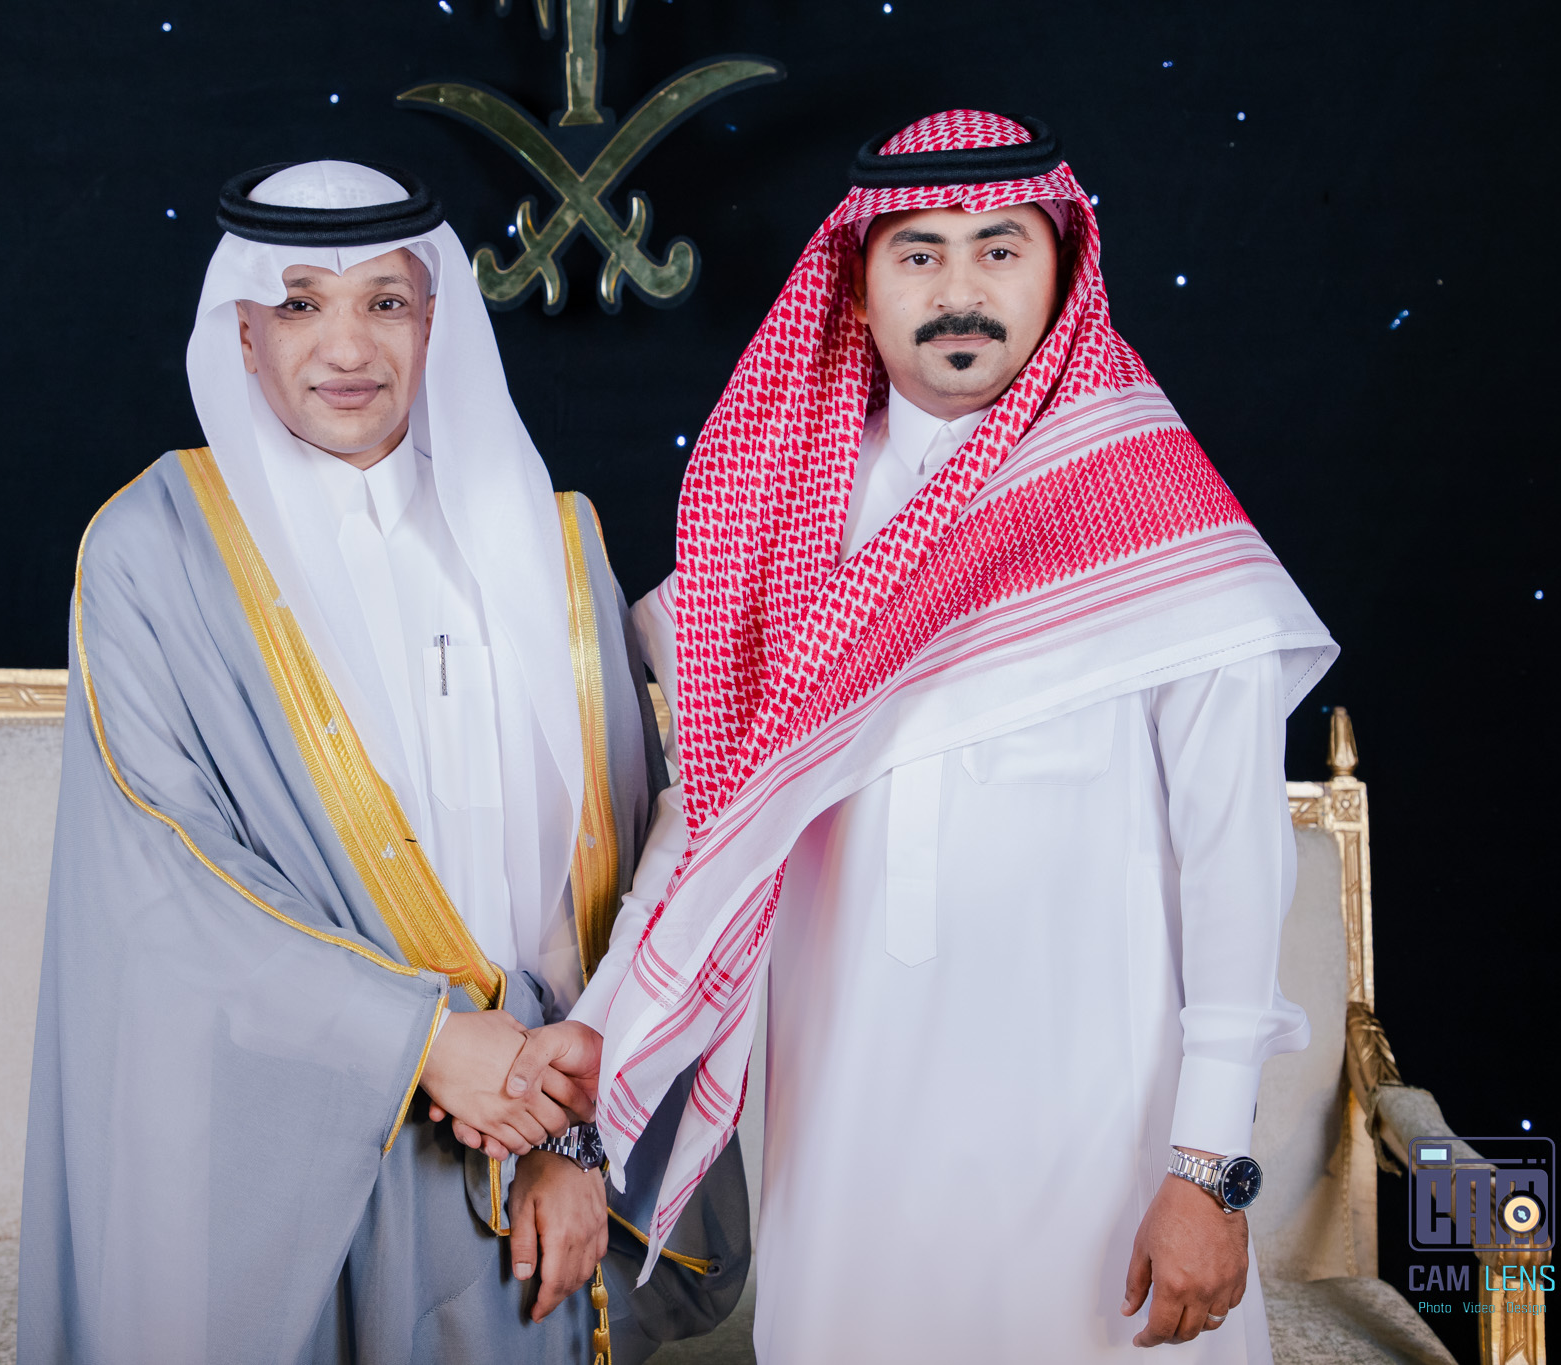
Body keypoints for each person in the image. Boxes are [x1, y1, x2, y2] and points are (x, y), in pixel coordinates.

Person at [537, 111, 1337, 1361]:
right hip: (849, 1164)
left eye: (999, 249)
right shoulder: (773, 525)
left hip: (1103, 1172)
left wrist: (1207, 1170)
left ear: (1060, 278)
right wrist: (590, 1058)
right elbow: (708, 834)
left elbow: (1232, 862)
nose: (959, 291)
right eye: (918, 253)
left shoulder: (1158, 519)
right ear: (855, 287)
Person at [17, 159, 743, 1365]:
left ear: (434, 320)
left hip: (520, 1142)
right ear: (241, 333)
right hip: (269, 1132)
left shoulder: (548, 540)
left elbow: (613, 889)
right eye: (300, 303)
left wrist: (573, 1139)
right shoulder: (155, 550)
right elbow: (164, 883)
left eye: (385, 303)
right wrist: (427, 1044)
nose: (346, 347)